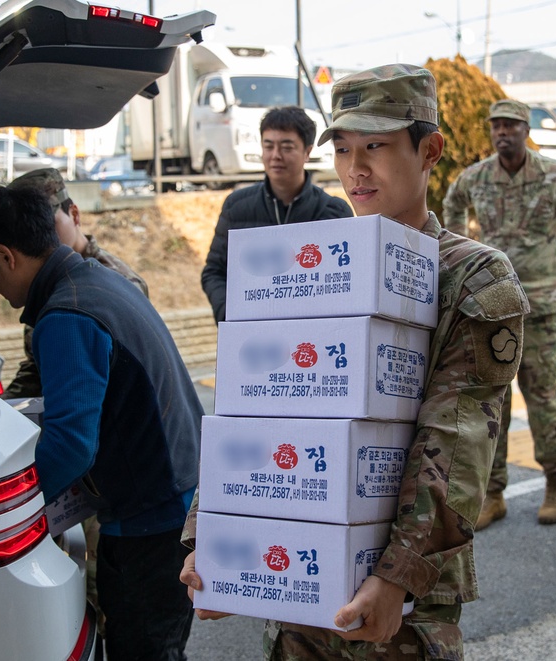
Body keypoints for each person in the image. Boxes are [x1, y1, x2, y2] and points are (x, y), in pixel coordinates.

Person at [180, 64, 529, 659]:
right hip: (300, 597)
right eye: (342, 150)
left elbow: (456, 437)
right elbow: (257, 408)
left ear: (430, 151)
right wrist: (211, 537)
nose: (354, 169)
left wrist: (395, 577)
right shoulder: (320, 266)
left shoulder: (473, 277)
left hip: (401, 613)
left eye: (376, 147)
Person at [0, 185, 201, 661]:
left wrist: (6, 513)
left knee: (143, 649)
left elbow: (70, 445)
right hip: (179, 504)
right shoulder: (97, 280)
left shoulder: (66, 315)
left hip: (150, 526)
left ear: (5, 256)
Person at [442, 99, 556, 529]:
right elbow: (451, 206)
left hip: (539, 306)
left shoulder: (555, 176)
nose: (503, 132)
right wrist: (463, 259)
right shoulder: (476, 177)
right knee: (493, 402)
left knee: (541, 397)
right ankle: (493, 492)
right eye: (496, 125)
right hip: (491, 305)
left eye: (511, 125)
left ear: (526, 129)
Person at [3, 167, 149, 400]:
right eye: (28, 230)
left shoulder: (115, 282)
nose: (41, 236)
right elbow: (36, 369)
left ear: (75, 214)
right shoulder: (45, 281)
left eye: (49, 224)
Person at [201, 105, 353, 323]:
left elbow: (346, 279)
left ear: (307, 152)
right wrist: (228, 314)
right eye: (268, 146)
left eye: (287, 147)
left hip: (312, 340)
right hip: (251, 335)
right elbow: (214, 272)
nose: (275, 156)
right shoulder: (236, 207)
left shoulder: (335, 213)